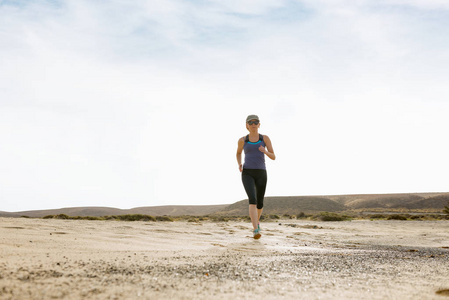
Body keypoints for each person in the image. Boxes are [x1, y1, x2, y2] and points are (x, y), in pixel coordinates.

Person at [236, 115, 276, 239]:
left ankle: (256, 222)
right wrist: (239, 164)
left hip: (261, 172)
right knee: (252, 199)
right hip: (247, 172)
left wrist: (265, 151)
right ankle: (255, 229)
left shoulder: (265, 138)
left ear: (259, 124)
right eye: (250, 122)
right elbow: (238, 153)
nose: (253, 124)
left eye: (256, 122)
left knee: (260, 203)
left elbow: (273, 156)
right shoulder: (243, 140)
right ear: (247, 125)